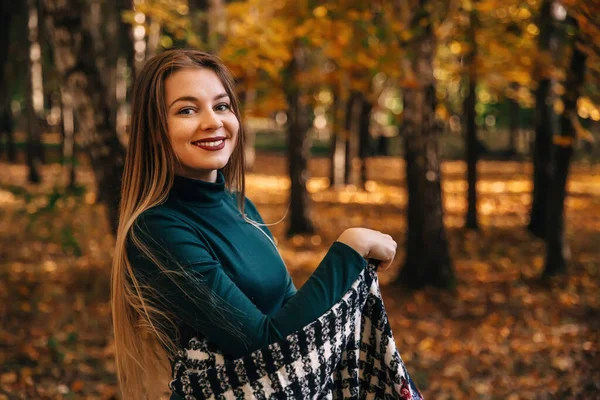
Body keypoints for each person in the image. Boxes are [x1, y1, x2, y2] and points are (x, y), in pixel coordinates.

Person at [111, 49, 397, 399]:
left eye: (221, 106)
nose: (213, 121)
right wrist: (350, 250)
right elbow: (265, 347)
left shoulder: (239, 205)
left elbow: (292, 314)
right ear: (154, 130)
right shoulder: (157, 229)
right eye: (187, 110)